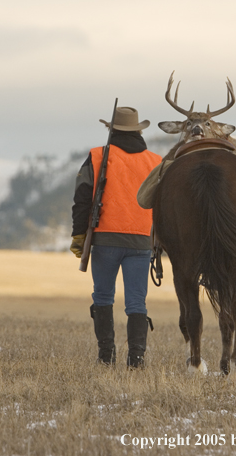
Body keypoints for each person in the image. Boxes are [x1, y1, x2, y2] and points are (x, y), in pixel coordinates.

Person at [70, 107, 161, 368]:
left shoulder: (98, 156)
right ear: (139, 131)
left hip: (105, 240)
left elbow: (82, 200)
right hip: (142, 241)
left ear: (111, 130)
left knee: (102, 297)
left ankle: (106, 357)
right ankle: (136, 360)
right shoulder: (155, 162)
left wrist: (79, 235)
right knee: (136, 301)